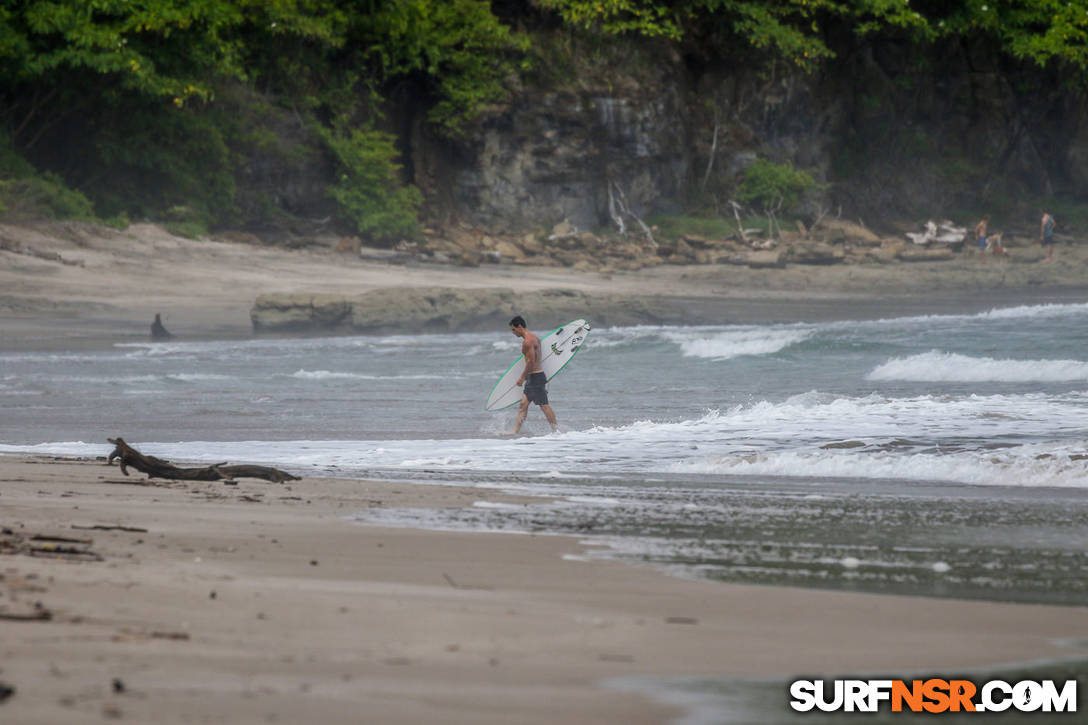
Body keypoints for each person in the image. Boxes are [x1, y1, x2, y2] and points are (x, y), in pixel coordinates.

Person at [506, 315, 558, 434]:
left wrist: (522, 378)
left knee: (544, 405)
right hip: (535, 376)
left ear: (519, 326)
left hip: (535, 377)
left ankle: (556, 430)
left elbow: (531, 362)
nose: (513, 333)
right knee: (523, 404)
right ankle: (515, 431)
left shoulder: (527, 342)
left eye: (513, 329)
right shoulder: (535, 338)